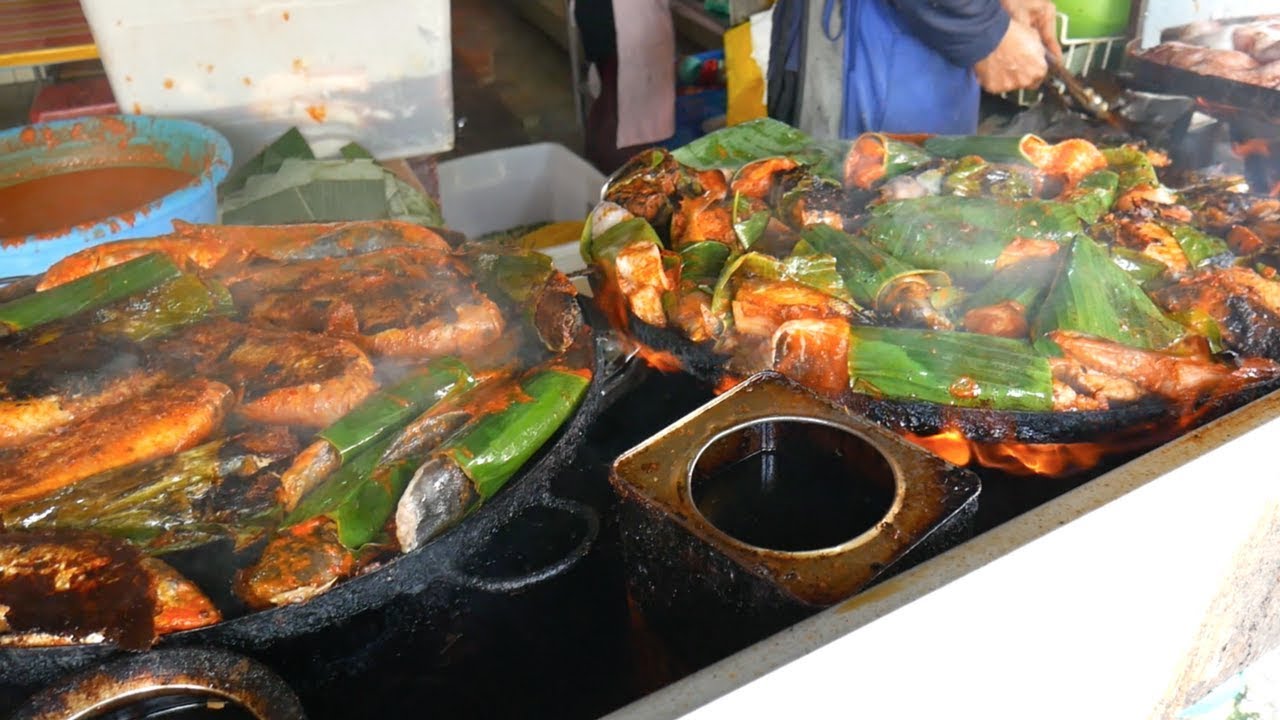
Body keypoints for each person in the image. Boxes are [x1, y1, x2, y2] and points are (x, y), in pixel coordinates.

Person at [776, 0, 1063, 137]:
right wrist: (982, 26)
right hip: (867, 41)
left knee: (931, 198)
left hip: (937, 28)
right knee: (861, 204)